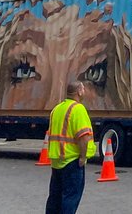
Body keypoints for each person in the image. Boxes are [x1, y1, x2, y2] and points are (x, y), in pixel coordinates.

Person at [46, 80, 97, 214]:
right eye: (83, 89)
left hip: (57, 161)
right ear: (79, 91)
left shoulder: (56, 109)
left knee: (55, 199)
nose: (84, 92)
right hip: (71, 161)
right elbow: (83, 137)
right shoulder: (78, 109)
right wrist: (83, 156)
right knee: (70, 198)